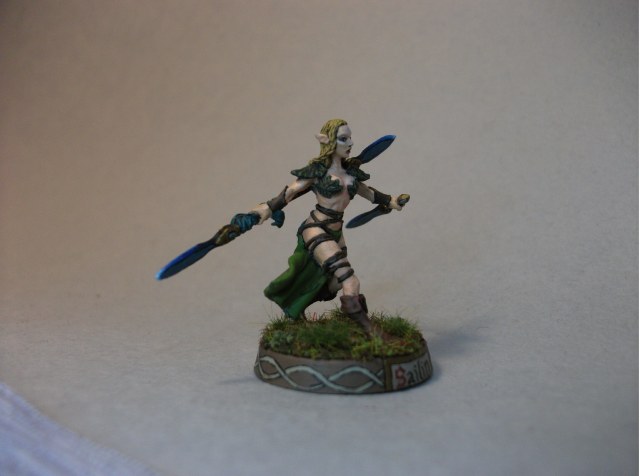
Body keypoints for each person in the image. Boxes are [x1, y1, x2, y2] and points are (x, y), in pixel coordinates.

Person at [250, 119, 405, 334]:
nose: (350, 143)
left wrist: (391, 201)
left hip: (336, 231)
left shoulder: (350, 173)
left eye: (350, 138)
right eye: (343, 139)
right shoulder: (318, 173)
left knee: (334, 283)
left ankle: (296, 308)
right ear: (327, 141)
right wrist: (267, 208)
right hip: (316, 228)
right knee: (350, 280)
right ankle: (370, 332)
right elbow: (291, 191)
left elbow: (368, 193)